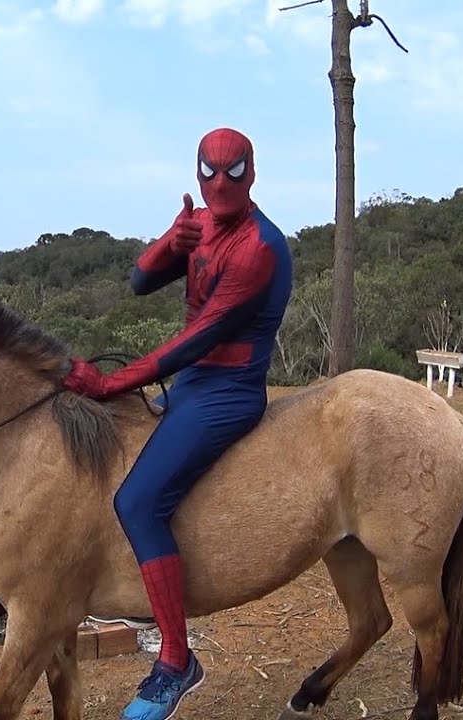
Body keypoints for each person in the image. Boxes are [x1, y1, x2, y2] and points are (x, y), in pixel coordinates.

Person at [61, 127, 293, 720]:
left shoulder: (261, 248)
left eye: (232, 172)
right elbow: (139, 282)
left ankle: (175, 659)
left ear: (253, 173)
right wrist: (170, 242)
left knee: (139, 502)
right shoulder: (205, 226)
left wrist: (112, 383)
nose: (219, 184)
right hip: (191, 386)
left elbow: (198, 338)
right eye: (208, 171)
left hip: (228, 390)